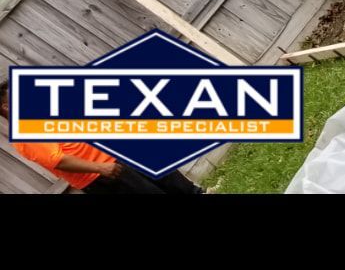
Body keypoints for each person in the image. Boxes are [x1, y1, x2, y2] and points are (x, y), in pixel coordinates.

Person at [0, 79, 204, 194]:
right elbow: (56, 159)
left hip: (119, 156)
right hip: (106, 175)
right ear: (7, 107)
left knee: (180, 187)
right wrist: (100, 168)